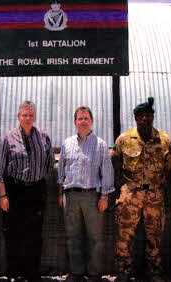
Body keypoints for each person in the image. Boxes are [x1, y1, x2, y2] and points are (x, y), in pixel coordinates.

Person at [112, 97, 171, 282]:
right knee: (124, 237)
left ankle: (154, 273)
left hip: (155, 195)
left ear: (153, 117)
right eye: (141, 116)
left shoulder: (164, 141)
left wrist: (166, 194)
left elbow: (169, 169)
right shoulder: (124, 140)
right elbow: (116, 165)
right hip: (131, 194)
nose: (144, 119)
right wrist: (122, 190)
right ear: (135, 118)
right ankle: (123, 272)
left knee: (155, 237)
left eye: (148, 115)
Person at [0, 100, 54, 282]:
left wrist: (39, 182)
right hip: (14, 191)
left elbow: (50, 164)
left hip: (36, 191)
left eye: (31, 115)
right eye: (24, 115)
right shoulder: (8, 138)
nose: (28, 118)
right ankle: (14, 273)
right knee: (13, 234)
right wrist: (3, 195)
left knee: (34, 234)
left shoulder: (43, 137)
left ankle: (32, 273)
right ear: (18, 117)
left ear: (34, 117)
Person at [57, 106, 114, 282]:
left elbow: (107, 172)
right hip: (71, 196)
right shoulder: (67, 144)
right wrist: (61, 193)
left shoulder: (101, 145)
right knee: (73, 236)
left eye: (86, 118)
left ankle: (95, 273)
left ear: (92, 121)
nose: (83, 121)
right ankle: (76, 272)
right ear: (75, 122)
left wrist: (104, 196)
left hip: (92, 197)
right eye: (80, 118)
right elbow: (61, 171)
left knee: (95, 237)